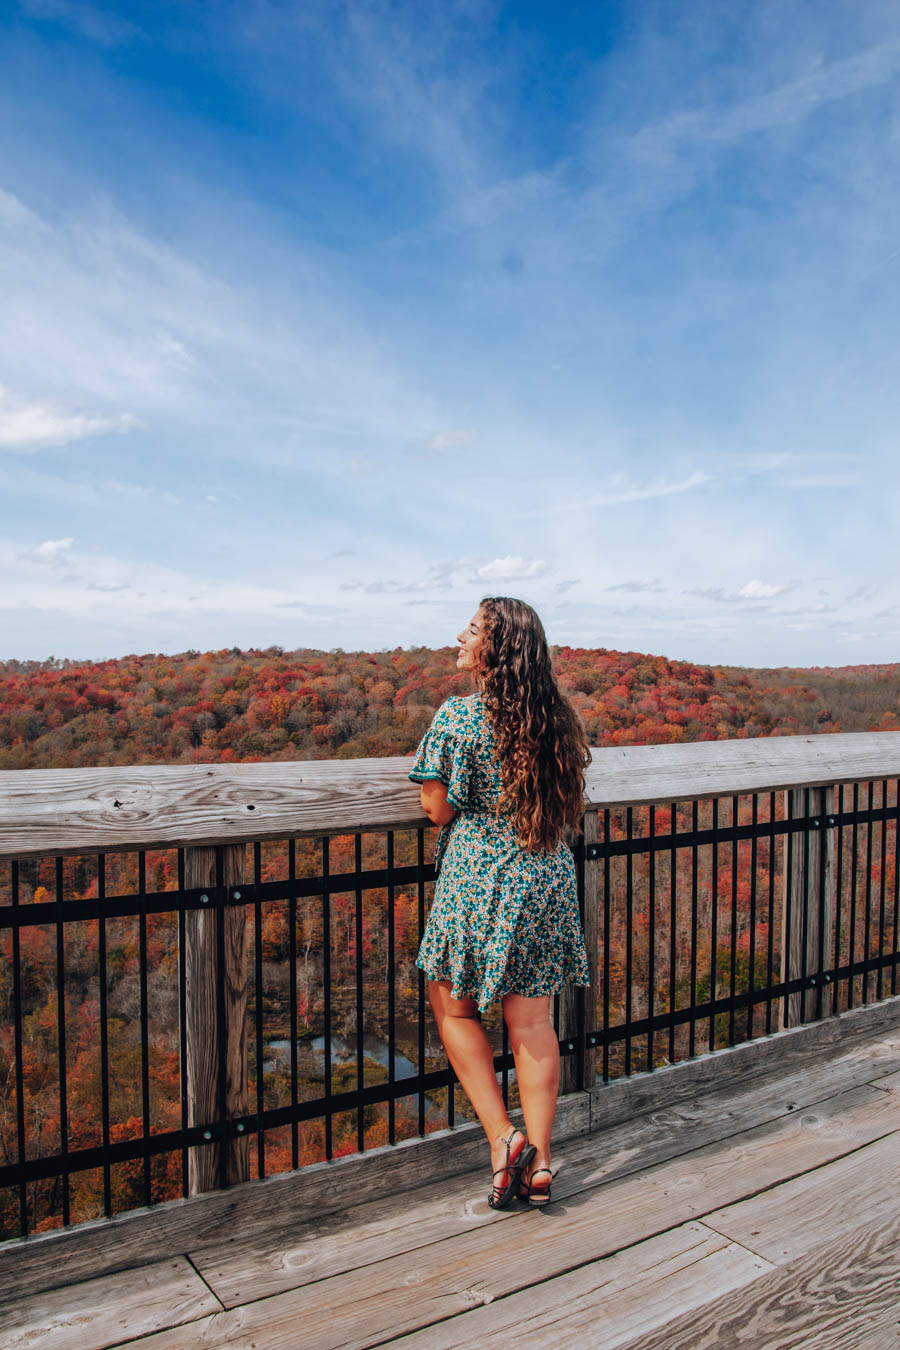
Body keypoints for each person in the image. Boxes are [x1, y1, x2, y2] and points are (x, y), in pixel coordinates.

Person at [409, 596, 591, 1209]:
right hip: (545, 876)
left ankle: (503, 1140)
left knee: (455, 1011)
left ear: (498, 647)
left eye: (473, 629)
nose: (459, 636)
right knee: (533, 1023)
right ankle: (539, 1161)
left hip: (480, 877)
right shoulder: (557, 718)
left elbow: (437, 809)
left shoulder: (460, 717)